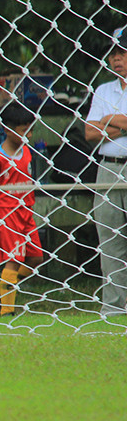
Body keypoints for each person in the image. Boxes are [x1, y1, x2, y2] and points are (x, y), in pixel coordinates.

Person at [0, 101, 42, 316]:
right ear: (7, 129)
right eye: (24, 131)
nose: (29, 135)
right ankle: (6, 311)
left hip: (26, 212)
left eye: (31, 130)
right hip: (6, 214)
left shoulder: (26, 152)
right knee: (13, 261)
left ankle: (0, 289)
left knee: (36, 259)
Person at [84, 26, 127, 317]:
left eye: (122, 52)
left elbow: (101, 126)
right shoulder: (102, 90)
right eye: (113, 53)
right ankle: (113, 309)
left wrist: (109, 121)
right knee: (110, 240)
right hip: (108, 170)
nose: (116, 59)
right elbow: (89, 132)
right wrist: (123, 122)